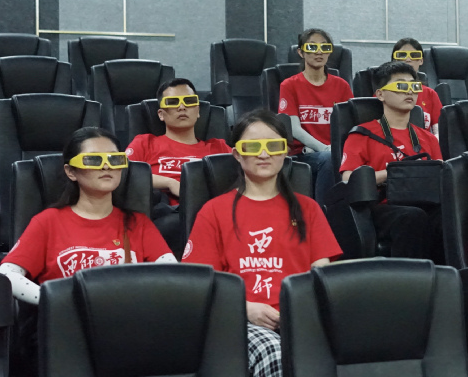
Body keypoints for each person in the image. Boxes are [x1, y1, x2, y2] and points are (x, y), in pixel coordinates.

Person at [0, 127, 175, 376]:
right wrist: (54, 299)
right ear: (71, 171)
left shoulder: (138, 223)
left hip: (126, 328)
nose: (107, 166)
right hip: (66, 329)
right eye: (93, 160)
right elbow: (7, 274)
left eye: (115, 159)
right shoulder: (48, 222)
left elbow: (172, 274)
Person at [183, 109, 342, 377]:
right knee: (276, 354)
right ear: (237, 154)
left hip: (301, 318)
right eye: (253, 147)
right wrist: (245, 309)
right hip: (238, 321)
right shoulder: (214, 211)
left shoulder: (308, 209)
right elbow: (201, 285)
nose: (264, 154)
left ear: (286, 151)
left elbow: (322, 277)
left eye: (274, 146)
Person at [340, 61, 443, 261]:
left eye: (414, 86)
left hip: (424, 202)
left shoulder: (429, 138)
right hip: (381, 206)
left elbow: (440, 176)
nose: (410, 91)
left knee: (451, 213)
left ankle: (449, 276)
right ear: (380, 94)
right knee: (413, 216)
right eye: (401, 86)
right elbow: (349, 179)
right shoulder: (362, 134)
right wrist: (395, 173)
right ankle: (409, 278)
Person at [126, 78, 231, 206]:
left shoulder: (219, 148)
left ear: (198, 111)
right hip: (162, 212)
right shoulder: (145, 143)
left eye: (189, 101)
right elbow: (122, 174)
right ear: (161, 114)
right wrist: (169, 183)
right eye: (172, 102)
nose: (182, 107)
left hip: (210, 210)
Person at [278, 28, 354, 205]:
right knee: (328, 159)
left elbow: (350, 125)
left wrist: (336, 150)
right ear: (301, 52)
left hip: (336, 152)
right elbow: (293, 129)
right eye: (312, 47)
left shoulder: (342, 86)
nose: (319, 52)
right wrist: (324, 148)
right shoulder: (289, 85)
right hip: (304, 154)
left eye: (324, 47)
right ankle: (323, 213)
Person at [391, 38, 442, 135]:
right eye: (402, 55)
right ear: (394, 60)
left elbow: (439, 132)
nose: (408, 59)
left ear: (421, 60)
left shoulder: (430, 94)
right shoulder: (385, 92)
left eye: (414, 55)